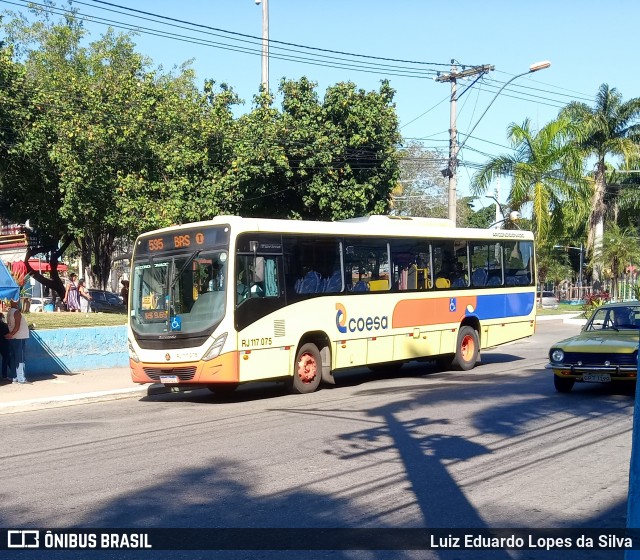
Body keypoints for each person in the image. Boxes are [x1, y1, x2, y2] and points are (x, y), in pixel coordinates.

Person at [6, 299, 29, 383]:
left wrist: (11, 334)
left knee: (13, 358)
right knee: (20, 358)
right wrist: (12, 333)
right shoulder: (16, 312)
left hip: (13, 338)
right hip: (19, 337)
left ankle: (14, 377)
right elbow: (17, 326)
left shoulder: (9, 312)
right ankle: (21, 378)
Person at [0, 312, 10, 380]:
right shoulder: (4, 325)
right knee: (6, 359)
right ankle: (4, 375)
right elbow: (8, 334)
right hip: (3, 344)